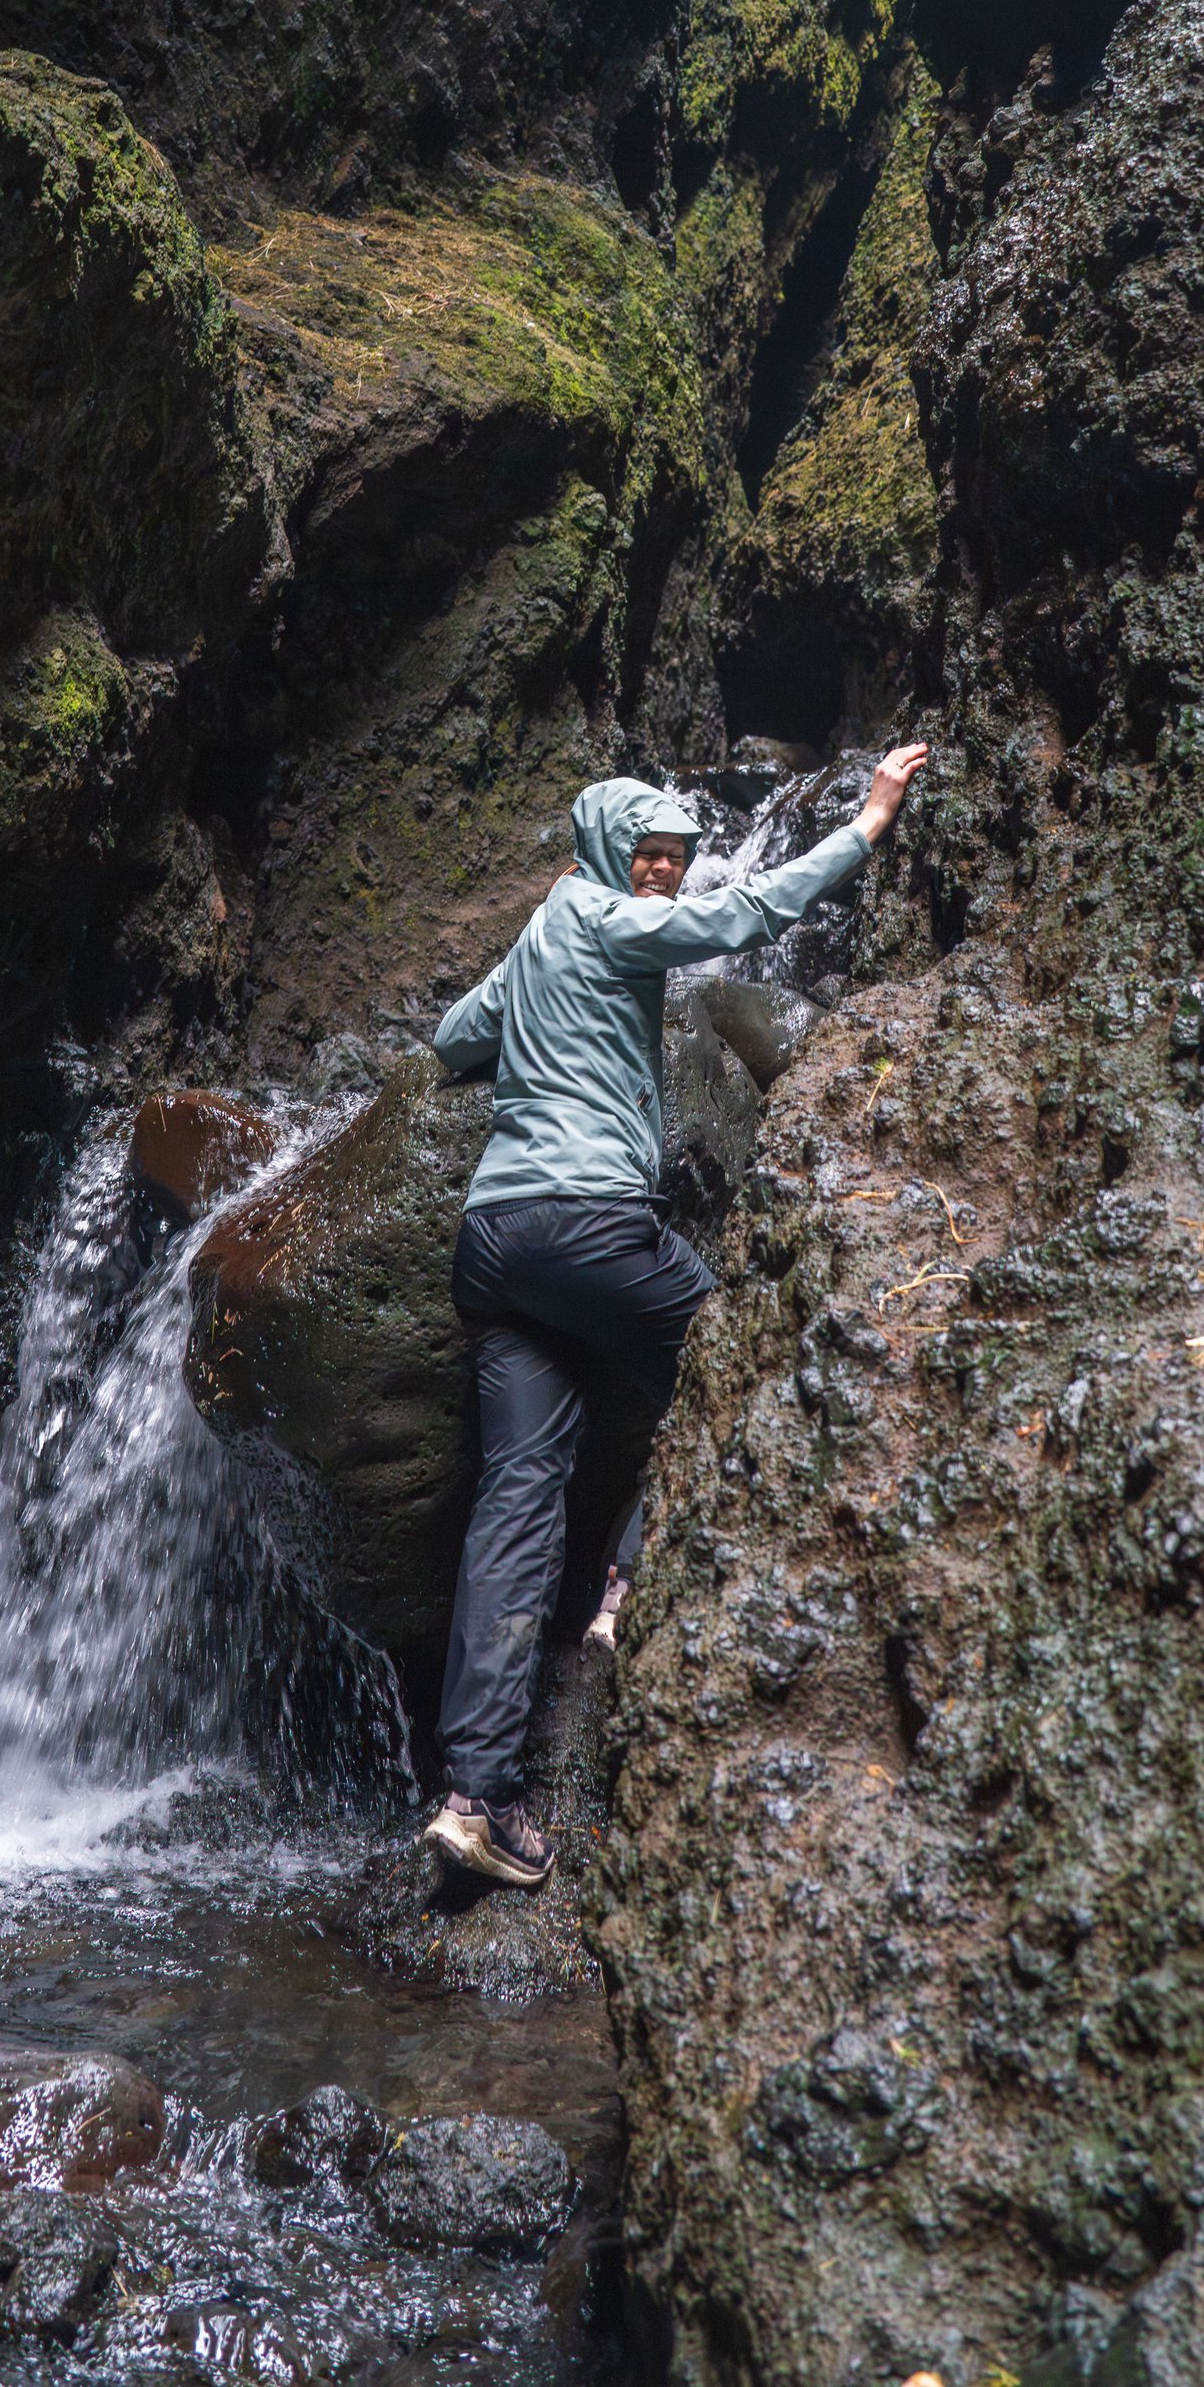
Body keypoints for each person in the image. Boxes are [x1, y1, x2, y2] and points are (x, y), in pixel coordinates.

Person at [419, 743, 929, 1885]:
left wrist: (531, 1035)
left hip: (493, 1244)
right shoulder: (605, 916)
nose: (662, 871)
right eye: (645, 853)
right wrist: (867, 825)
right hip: (586, 1223)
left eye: (675, 857)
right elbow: (740, 918)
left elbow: (455, 1040)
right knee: (732, 1354)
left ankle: (478, 1800)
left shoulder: (540, 936)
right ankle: (632, 1579)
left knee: (515, 1496)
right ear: (606, 852)